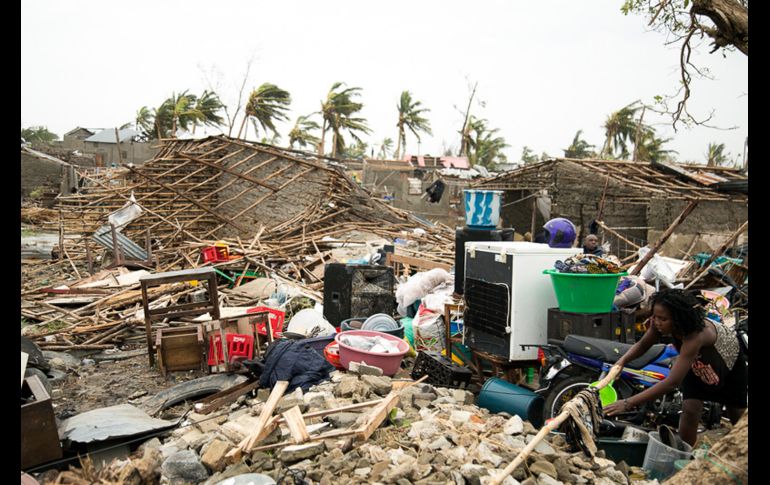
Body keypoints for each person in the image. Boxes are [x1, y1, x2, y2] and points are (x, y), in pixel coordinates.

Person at [604, 289, 747, 446]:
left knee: (737, 416)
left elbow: (672, 382)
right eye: (655, 316)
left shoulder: (696, 335)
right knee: (690, 409)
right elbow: (644, 343)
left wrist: (628, 403)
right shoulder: (658, 323)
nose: (657, 322)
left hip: (727, 365)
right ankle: (684, 452)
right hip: (696, 364)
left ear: (679, 319)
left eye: (663, 319)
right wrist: (622, 361)